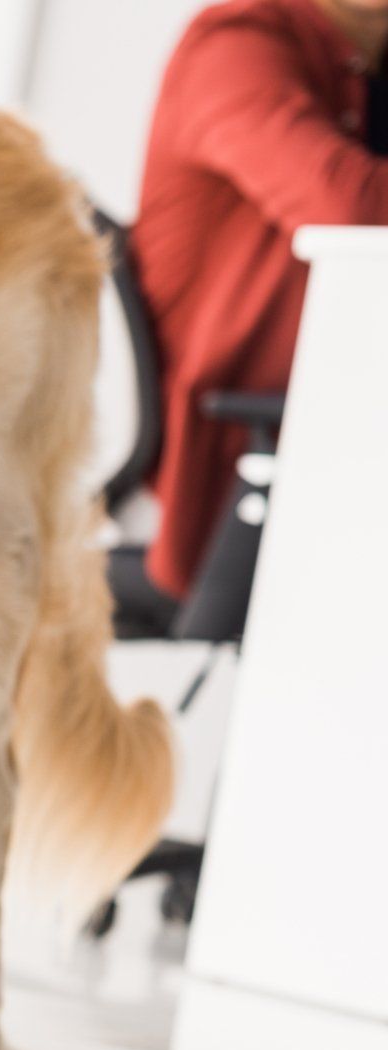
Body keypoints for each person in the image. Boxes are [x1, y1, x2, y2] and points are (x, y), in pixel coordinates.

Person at [130, 0, 388, 603]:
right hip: (227, 454)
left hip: (331, 432)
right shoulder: (237, 39)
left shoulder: (368, 64)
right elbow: (350, 207)